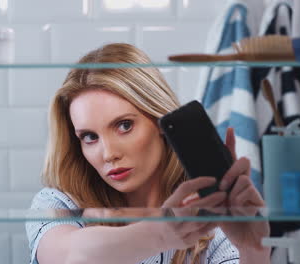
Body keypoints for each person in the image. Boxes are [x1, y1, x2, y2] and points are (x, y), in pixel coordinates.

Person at [26, 43, 270, 264]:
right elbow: (68, 256)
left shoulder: (212, 220)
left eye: (124, 125)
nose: (109, 154)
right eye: (90, 137)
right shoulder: (58, 203)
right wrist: (162, 233)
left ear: (161, 121)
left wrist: (254, 252)